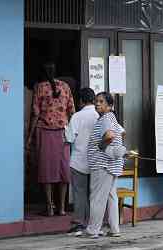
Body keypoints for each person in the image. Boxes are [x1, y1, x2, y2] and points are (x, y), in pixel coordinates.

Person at [27, 62, 75, 216]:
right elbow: (72, 111)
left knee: (46, 170)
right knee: (63, 171)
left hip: (45, 133)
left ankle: (49, 208)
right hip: (62, 133)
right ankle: (61, 208)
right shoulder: (66, 87)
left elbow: (35, 114)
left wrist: (29, 137)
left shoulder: (39, 87)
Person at [79, 92, 127, 238]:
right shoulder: (112, 118)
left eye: (101, 102)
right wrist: (116, 149)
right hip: (112, 164)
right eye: (96, 101)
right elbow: (122, 133)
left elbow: (109, 135)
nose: (97, 104)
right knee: (111, 197)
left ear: (110, 106)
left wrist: (101, 146)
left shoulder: (106, 118)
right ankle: (114, 229)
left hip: (102, 165)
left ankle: (93, 230)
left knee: (97, 198)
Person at [65, 88, 99, 233]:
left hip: (79, 161)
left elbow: (70, 138)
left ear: (81, 101)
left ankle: (79, 223)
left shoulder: (77, 117)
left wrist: (65, 128)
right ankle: (93, 223)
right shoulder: (99, 115)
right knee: (94, 194)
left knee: (79, 193)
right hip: (96, 161)